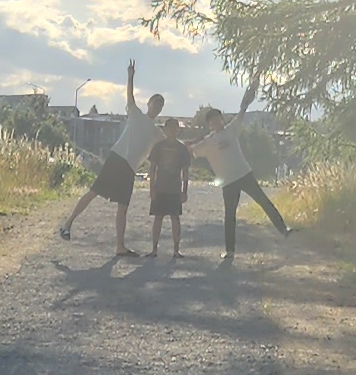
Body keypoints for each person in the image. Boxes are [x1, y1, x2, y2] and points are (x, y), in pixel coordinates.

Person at [58, 64, 160, 256]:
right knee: (94, 192)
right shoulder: (136, 113)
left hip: (130, 168)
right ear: (149, 104)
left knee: (123, 207)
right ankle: (68, 223)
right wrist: (130, 76)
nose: (157, 108)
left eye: (160, 106)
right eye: (155, 104)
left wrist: (195, 144)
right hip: (117, 159)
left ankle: (120, 246)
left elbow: (174, 143)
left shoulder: (156, 131)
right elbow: (130, 96)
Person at [195, 105, 290, 261]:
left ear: (222, 119)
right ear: (209, 124)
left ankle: (284, 229)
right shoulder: (209, 141)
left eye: (218, 119)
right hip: (228, 181)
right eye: (212, 121)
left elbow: (242, 111)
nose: (216, 122)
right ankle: (230, 250)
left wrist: (248, 95)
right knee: (230, 215)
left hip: (244, 174)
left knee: (264, 201)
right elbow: (192, 150)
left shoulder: (231, 129)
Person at [143, 113, 194, 257]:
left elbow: (185, 172)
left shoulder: (182, 148)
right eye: (169, 129)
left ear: (178, 130)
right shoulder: (158, 147)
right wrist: (151, 188)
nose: (172, 131)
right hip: (160, 187)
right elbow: (152, 168)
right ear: (165, 130)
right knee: (158, 218)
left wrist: (185, 191)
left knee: (175, 218)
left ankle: (176, 250)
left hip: (174, 189)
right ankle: (154, 249)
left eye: (174, 129)